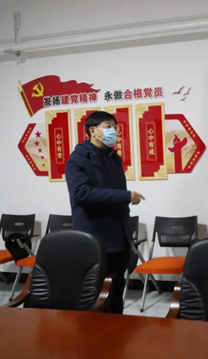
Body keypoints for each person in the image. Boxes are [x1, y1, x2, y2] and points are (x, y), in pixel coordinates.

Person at [65, 111, 144, 314]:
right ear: (93, 130)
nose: (114, 131)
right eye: (108, 127)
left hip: (119, 238)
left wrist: (127, 233)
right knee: (96, 297)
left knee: (115, 294)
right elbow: (81, 195)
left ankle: (117, 332)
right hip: (95, 239)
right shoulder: (78, 160)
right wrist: (126, 196)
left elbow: (114, 195)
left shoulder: (112, 157)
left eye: (115, 128)